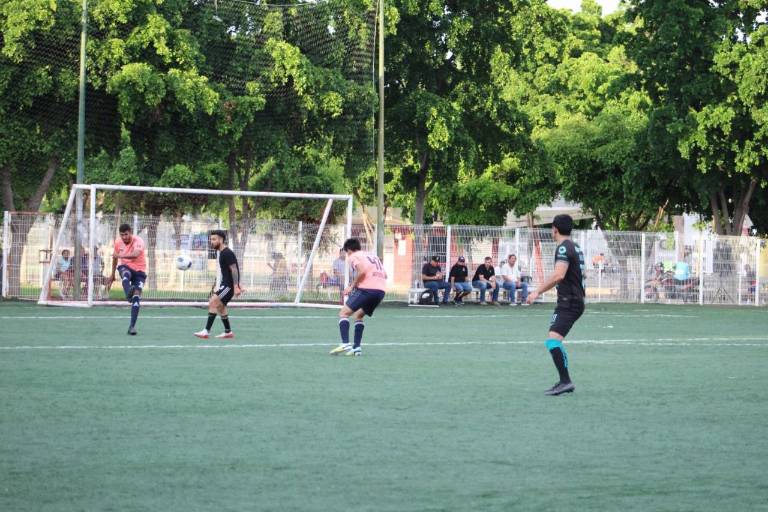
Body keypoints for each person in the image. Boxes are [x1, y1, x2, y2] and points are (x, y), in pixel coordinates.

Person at [526, 214, 585, 396]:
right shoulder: (575, 246)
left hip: (570, 302)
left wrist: (537, 291)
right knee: (553, 339)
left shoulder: (563, 248)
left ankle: (565, 381)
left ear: (555, 228)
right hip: (572, 301)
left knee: (553, 341)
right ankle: (564, 381)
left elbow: (559, 275)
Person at [330, 238, 386, 356]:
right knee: (358, 315)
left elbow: (362, 272)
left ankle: (345, 343)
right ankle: (356, 347)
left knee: (344, 313)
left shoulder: (353, 256)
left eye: (346, 252)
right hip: (381, 291)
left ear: (349, 250)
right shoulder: (372, 255)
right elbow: (385, 274)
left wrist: (351, 286)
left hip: (367, 289)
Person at [194, 230, 243, 339]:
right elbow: (233, 270)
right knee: (221, 307)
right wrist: (239, 284)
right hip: (226, 285)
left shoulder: (227, 253)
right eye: (211, 239)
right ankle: (228, 332)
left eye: (214, 239)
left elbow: (234, 269)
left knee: (213, 301)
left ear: (221, 240)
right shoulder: (222, 253)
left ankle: (206, 331)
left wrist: (236, 286)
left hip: (229, 286)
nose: (212, 241)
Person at [107, 224, 147, 335]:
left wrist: (119, 256)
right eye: (122, 235)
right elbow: (115, 259)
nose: (124, 237)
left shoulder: (138, 241)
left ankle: (132, 327)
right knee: (125, 274)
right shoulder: (118, 242)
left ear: (130, 232)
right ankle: (128, 292)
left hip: (139, 271)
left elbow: (135, 255)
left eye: (126, 234)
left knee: (136, 297)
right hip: (126, 267)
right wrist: (112, 274)